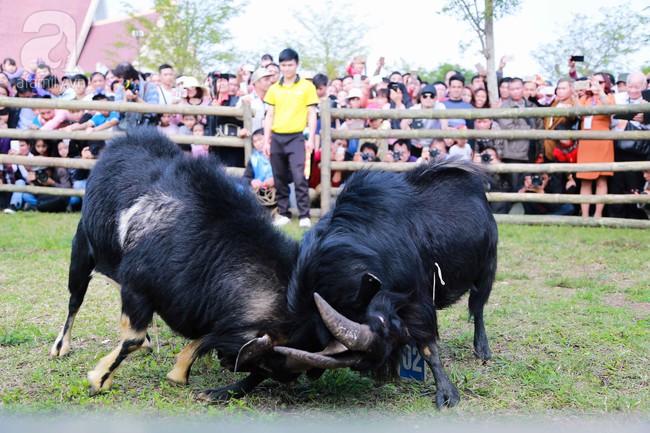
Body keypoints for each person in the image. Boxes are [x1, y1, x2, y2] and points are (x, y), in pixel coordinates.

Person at [263, 48, 319, 228]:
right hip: (277, 137)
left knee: (299, 176)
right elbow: (269, 115)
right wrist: (266, 140)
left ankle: (304, 215)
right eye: (284, 65)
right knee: (279, 176)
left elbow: (312, 114)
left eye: (290, 65)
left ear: (297, 65)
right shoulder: (274, 89)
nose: (287, 69)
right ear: (280, 67)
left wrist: (310, 138)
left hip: (296, 137)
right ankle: (284, 212)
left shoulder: (307, 87)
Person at [609, 71, 649, 219]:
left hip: (640, 150)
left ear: (644, 86)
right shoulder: (619, 98)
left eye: (637, 87)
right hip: (618, 147)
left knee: (636, 184)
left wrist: (645, 119)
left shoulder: (648, 100)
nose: (632, 90)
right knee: (617, 183)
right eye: (630, 86)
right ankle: (616, 217)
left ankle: (636, 217)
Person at [576, 73, 615, 219]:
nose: (595, 84)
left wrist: (600, 91)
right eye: (592, 82)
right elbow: (577, 113)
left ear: (606, 83)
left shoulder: (609, 97)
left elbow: (610, 109)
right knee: (585, 179)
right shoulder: (584, 98)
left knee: (601, 179)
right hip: (586, 141)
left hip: (603, 140)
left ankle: (598, 215)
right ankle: (585, 216)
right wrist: (575, 94)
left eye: (599, 81)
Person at [400, 84, 447, 157]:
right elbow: (403, 125)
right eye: (425, 96)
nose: (428, 99)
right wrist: (410, 130)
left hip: (433, 144)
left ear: (435, 98)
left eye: (431, 96)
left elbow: (444, 126)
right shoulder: (414, 109)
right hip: (415, 143)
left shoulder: (440, 107)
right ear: (421, 98)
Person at [113, 62, 159, 130]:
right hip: (124, 130)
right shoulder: (120, 89)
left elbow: (153, 112)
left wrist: (136, 98)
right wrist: (126, 98)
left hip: (144, 130)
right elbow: (117, 114)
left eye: (121, 81)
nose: (119, 83)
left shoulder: (150, 87)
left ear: (130, 79)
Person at [542, 78, 577, 161]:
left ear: (572, 89)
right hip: (547, 149)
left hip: (563, 151)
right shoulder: (555, 103)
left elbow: (573, 117)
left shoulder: (573, 104)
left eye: (563, 89)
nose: (560, 91)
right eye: (558, 88)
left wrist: (569, 111)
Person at [473, 146, 512, 214]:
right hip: (480, 195)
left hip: (497, 195)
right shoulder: (476, 165)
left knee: (499, 202)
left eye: (491, 156)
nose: (487, 158)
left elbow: (507, 182)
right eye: (484, 155)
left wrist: (497, 166)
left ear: (497, 158)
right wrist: (474, 165)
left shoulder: (502, 167)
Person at [241, 128, 275, 193]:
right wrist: (251, 181)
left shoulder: (279, 155)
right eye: (255, 141)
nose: (258, 143)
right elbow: (244, 179)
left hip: (279, 194)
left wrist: (275, 180)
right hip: (259, 194)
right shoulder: (254, 159)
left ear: (269, 139)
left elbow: (290, 176)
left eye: (260, 139)